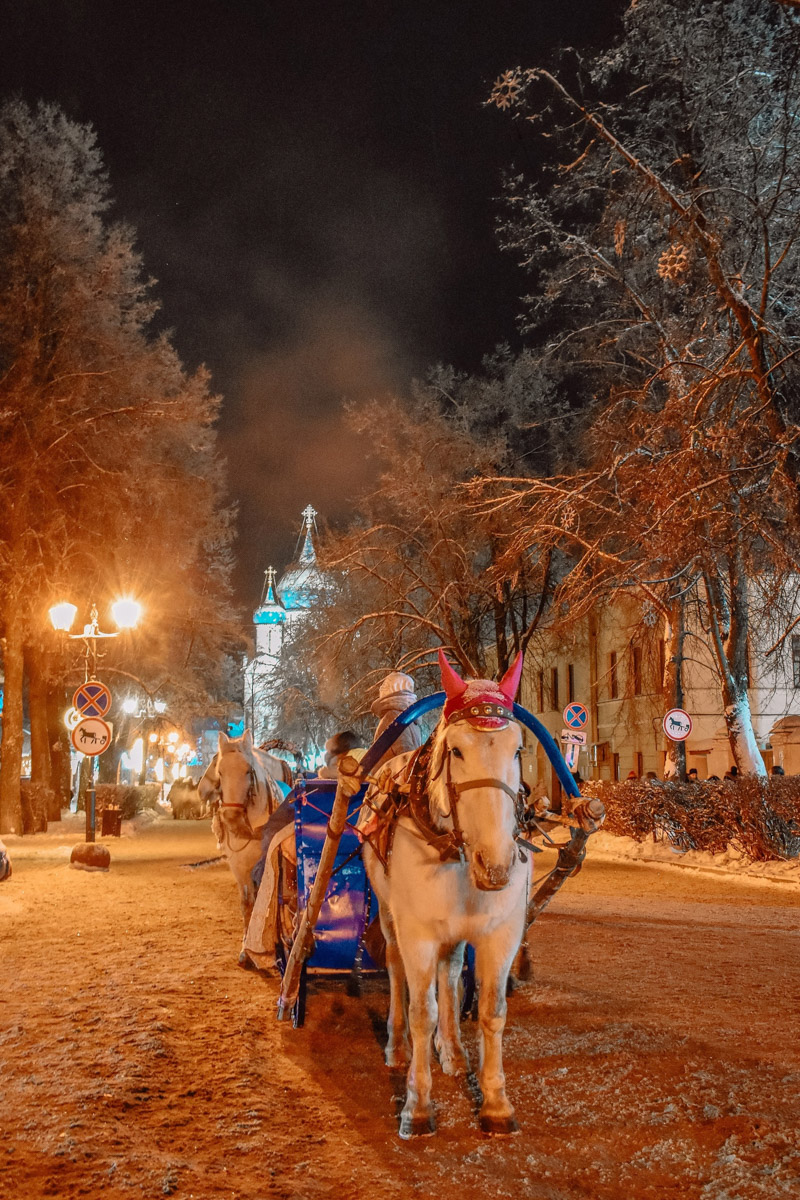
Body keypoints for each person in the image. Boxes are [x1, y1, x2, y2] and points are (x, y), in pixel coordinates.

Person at [370, 671, 422, 769]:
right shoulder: (411, 720)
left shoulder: (394, 717)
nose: (381, 689)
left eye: (386, 685)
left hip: (390, 780)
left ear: (395, 687)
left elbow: (405, 753)